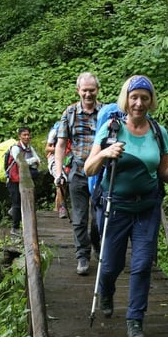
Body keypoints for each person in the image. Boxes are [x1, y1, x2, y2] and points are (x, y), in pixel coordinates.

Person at [84, 75, 168, 337]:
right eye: (134, 97)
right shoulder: (111, 127)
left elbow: (163, 172)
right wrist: (106, 154)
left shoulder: (158, 131)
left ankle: (135, 320)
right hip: (115, 207)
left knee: (142, 265)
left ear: (151, 101)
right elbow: (89, 169)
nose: (139, 103)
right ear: (126, 100)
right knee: (110, 264)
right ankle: (106, 291)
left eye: (144, 97)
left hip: (147, 207)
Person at [54, 72, 103, 275]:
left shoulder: (106, 112)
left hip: (101, 172)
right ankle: (82, 256)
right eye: (85, 90)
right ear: (78, 90)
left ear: (97, 90)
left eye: (92, 90)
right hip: (78, 171)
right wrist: (59, 172)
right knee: (80, 216)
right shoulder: (70, 113)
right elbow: (61, 144)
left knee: (99, 216)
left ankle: (97, 247)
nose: (88, 94)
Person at [6, 126, 41, 235]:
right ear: (19, 136)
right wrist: (33, 160)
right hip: (14, 180)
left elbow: (38, 159)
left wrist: (34, 160)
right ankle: (15, 228)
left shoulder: (29, 147)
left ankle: (23, 223)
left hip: (24, 178)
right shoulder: (15, 148)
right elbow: (21, 162)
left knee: (24, 201)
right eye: (24, 135)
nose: (27, 137)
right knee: (17, 203)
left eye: (28, 135)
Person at [45, 121, 68, 219]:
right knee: (61, 181)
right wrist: (59, 149)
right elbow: (47, 148)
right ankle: (62, 208)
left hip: (67, 159)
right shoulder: (56, 130)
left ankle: (56, 208)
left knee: (63, 185)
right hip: (55, 159)